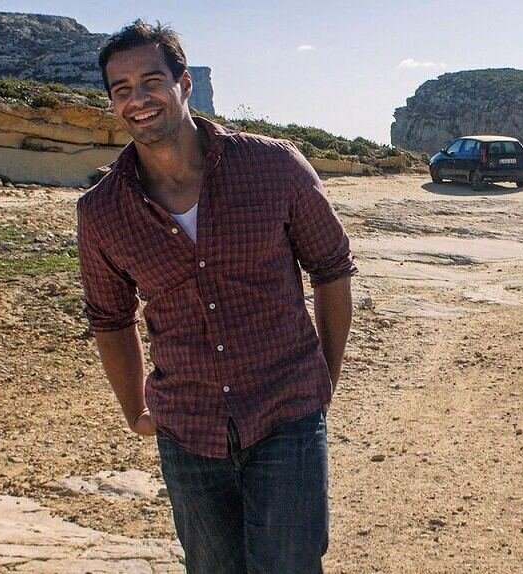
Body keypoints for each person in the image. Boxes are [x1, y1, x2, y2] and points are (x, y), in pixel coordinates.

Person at [77, 20, 355, 574]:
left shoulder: (273, 166)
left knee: (290, 566)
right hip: (188, 428)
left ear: (184, 84)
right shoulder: (101, 211)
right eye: (122, 89)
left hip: (287, 412)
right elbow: (110, 319)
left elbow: (331, 267)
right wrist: (134, 408)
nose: (138, 99)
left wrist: (326, 373)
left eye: (151, 81)